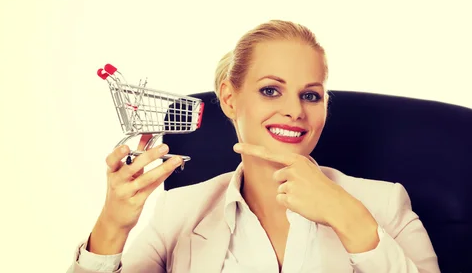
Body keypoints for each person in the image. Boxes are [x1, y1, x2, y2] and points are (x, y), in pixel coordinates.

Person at [67, 20, 440, 273]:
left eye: (310, 95)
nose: (294, 111)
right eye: (270, 90)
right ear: (229, 99)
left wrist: (351, 220)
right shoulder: (178, 213)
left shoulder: (385, 204)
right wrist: (112, 227)